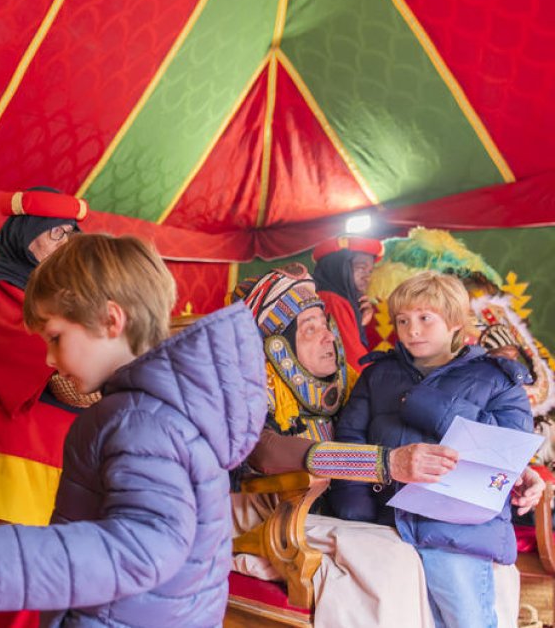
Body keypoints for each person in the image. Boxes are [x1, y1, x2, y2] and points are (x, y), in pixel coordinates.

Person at [0, 234, 267, 626]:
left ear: (110, 320)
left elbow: (147, 544)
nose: (49, 359)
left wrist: (17, 562)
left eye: (56, 337)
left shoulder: (143, 422)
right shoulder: (153, 412)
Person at [231, 264, 542, 626]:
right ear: (277, 343)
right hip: (308, 510)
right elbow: (267, 452)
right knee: (396, 563)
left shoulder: (349, 382)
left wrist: (519, 472)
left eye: (324, 324)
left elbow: (501, 439)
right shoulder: (253, 389)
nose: (330, 337)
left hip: (437, 516)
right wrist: (381, 466)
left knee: (474, 576)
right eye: (309, 329)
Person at [331, 271, 533, 628]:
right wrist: (355, 510)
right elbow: (350, 439)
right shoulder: (378, 376)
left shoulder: (497, 379)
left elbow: (508, 449)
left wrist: (428, 403)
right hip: (385, 522)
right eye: (403, 321)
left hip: (457, 531)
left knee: (464, 619)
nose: (412, 330)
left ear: (455, 322)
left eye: (425, 318)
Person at [0, 186, 90, 529]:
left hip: (54, 453)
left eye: (71, 234)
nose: (65, 245)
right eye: (56, 234)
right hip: (4, 449)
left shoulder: (59, 293)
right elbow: (34, 347)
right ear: (26, 235)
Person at [311, 235, 383, 371]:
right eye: (361, 268)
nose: (368, 277)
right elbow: (354, 362)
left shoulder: (335, 298)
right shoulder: (332, 300)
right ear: (338, 267)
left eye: (370, 271)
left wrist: (358, 321)